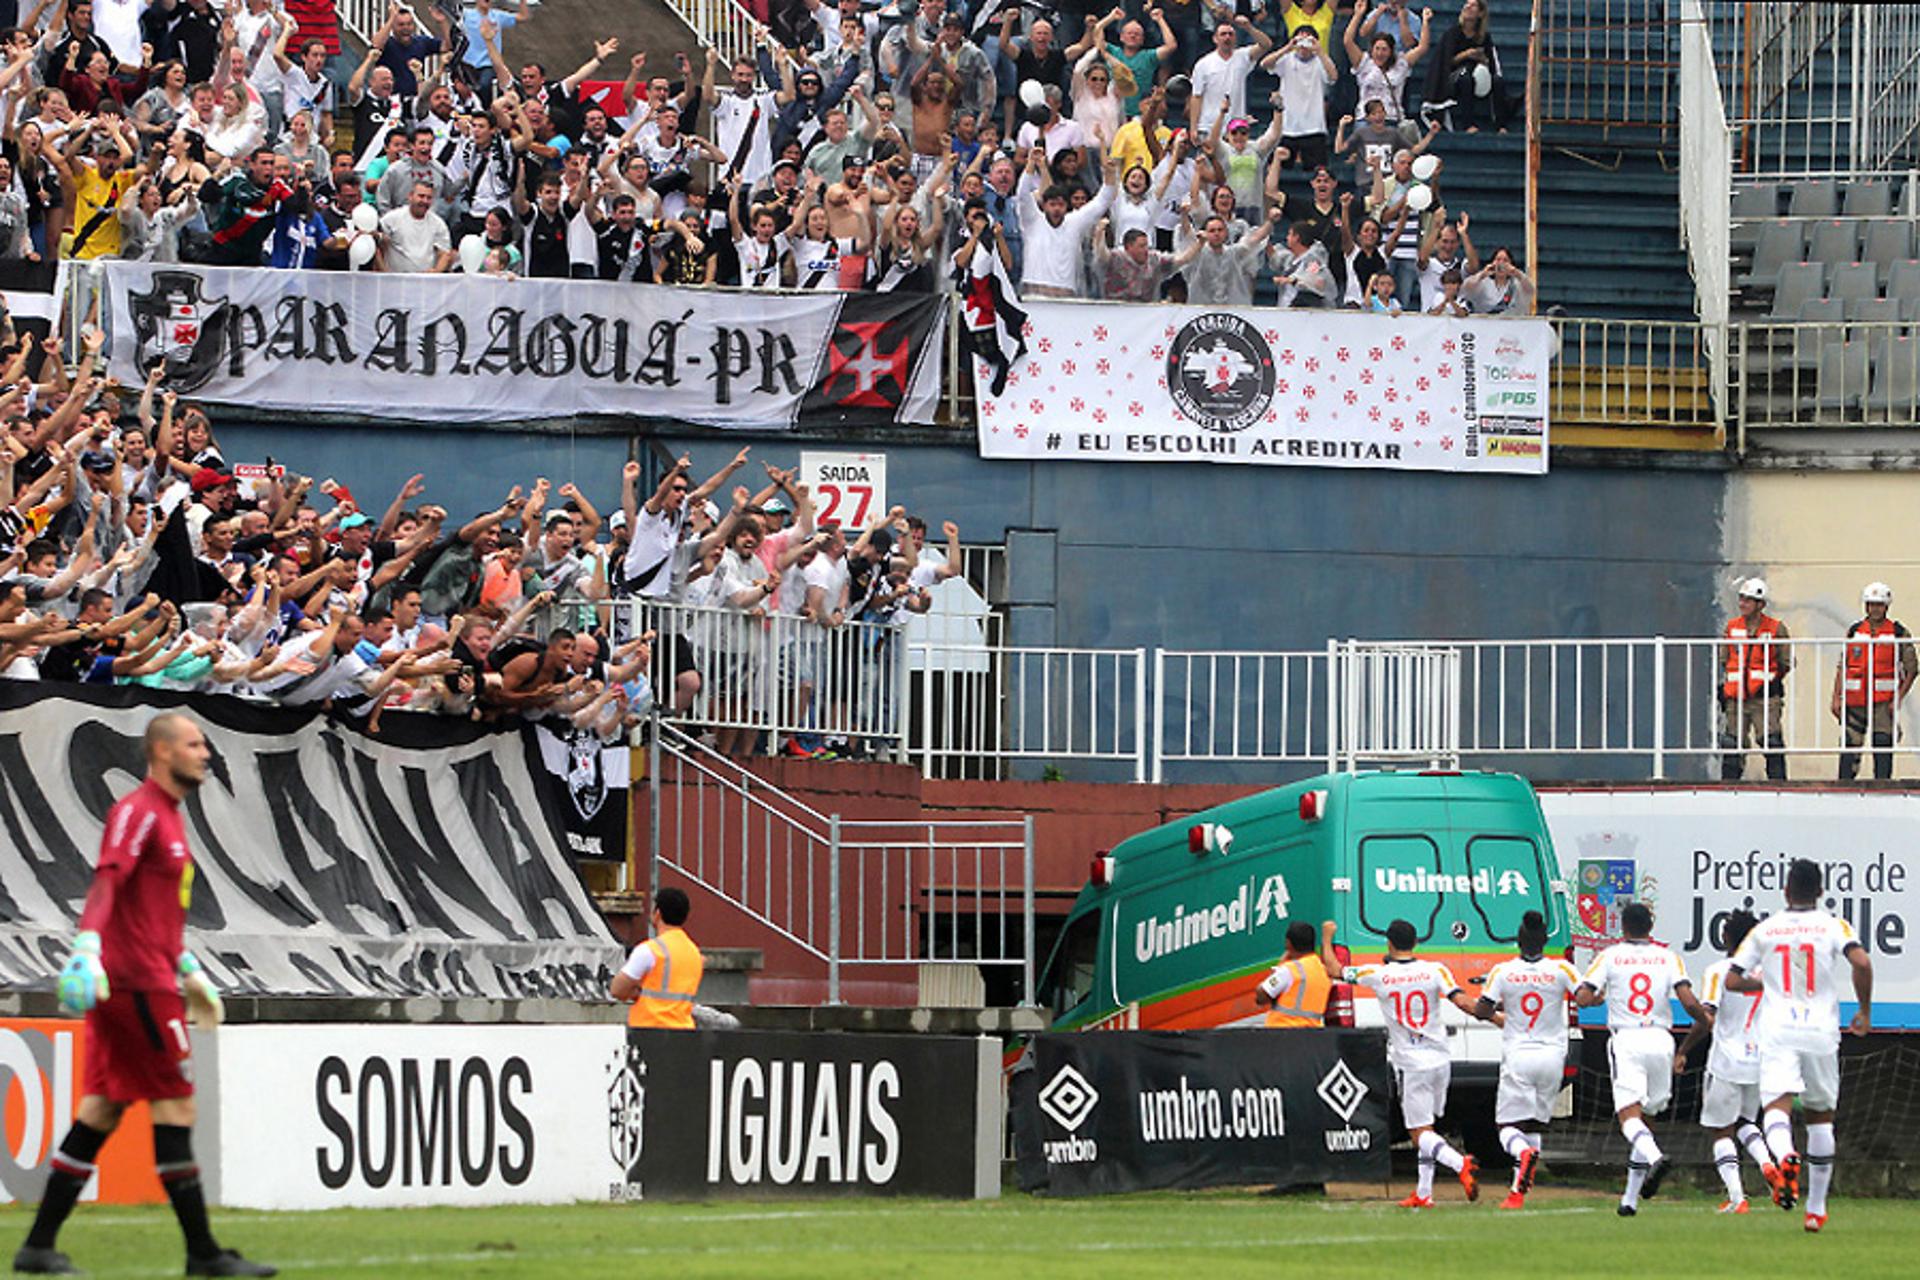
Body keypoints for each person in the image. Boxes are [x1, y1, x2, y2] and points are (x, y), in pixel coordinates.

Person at [13, 714, 275, 1277]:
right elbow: (109, 878)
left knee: (101, 1109)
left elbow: (149, 909)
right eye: (194, 743)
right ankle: (203, 1254)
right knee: (176, 1104)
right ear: (160, 751)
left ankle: (37, 1247)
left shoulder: (172, 818)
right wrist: (85, 945)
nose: (205, 753)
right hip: (134, 983)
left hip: (150, 974)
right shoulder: (138, 812)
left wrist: (188, 967)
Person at [1724, 858, 1874, 1232]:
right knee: (1821, 1116)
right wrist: (1865, 1010)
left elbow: (1731, 980)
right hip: (1821, 1030)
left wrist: (1767, 984)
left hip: (1779, 1030)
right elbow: (1862, 962)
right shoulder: (1832, 925)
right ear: (1821, 892)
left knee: (1776, 1106)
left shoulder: (1765, 929)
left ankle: (1787, 1155)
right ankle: (1815, 1210)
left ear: (1785, 891)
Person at [1327, 917, 1480, 1208]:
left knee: (1419, 1132)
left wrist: (1326, 938)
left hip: (1411, 1063)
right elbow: (1461, 1001)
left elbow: (1334, 970)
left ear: (1389, 942)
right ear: (1416, 942)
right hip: (1441, 1060)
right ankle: (1424, 1193)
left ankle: (1460, 1163)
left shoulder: (1378, 974)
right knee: (1428, 1127)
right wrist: (1497, 1017)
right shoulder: (1435, 970)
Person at [1574, 900, 1708, 1217]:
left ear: (1623, 928)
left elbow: (1582, 997)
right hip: (1661, 1039)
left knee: (1629, 1117)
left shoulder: (1609, 956)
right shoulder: (1667, 957)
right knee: (1647, 1118)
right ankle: (1630, 1200)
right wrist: (1702, 1020)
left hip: (1628, 1038)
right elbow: (1688, 1000)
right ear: (1651, 927)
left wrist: (1597, 998)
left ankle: (1657, 1158)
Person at [1672, 908, 1783, 1214]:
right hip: (1758, 1060)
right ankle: (1768, 1166)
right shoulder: (1768, 973)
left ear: (1726, 937)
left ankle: (1737, 1198)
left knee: (1721, 1130)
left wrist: (1683, 1049)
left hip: (1726, 1061)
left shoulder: (1720, 971)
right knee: (1747, 1123)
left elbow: (1707, 1017)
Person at [1469, 910, 1579, 1210]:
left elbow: (1481, 1010)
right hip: (1553, 1056)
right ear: (1545, 941)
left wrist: (1502, 1012)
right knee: (1532, 1126)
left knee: (1507, 1127)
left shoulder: (1503, 972)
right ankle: (1518, 1192)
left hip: (1519, 1054)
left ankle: (1523, 1159)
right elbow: (1584, 998)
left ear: (1518, 940)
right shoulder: (1562, 970)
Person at [1832, 581, 1916, 781]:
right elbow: (1843, 666)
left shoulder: (1899, 633)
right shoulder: (1854, 631)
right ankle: (1844, 787)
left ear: (1886, 607)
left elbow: (1912, 669)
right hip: (1855, 700)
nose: (1874, 609)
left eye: (1878, 604)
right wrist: (1836, 696)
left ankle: (1882, 786)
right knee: (1849, 747)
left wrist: (1898, 698)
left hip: (1883, 702)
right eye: (1870, 604)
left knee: (1882, 744)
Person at [1720, 576, 1790, 781]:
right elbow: (1725, 659)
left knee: (1771, 741)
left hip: (1765, 698)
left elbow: (1785, 661)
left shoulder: (1776, 629)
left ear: (1761, 604)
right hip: (1736, 698)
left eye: (1748, 600)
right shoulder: (1731, 627)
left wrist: (1769, 683)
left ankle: (1779, 787)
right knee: (1732, 743)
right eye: (1741, 599)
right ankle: (1729, 787)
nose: (1742, 603)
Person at [610, 886, 704, 1029]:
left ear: (657, 913)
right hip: (684, 1032)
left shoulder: (649, 950)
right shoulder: (694, 953)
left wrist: (636, 992)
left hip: (650, 1030)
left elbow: (617, 989)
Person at [1255, 920, 1334, 1026]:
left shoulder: (1289, 970)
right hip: (1310, 1035)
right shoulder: (1322, 970)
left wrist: (1280, 965)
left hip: (1282, 1033)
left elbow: (1262, 996)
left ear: (1288, 943)